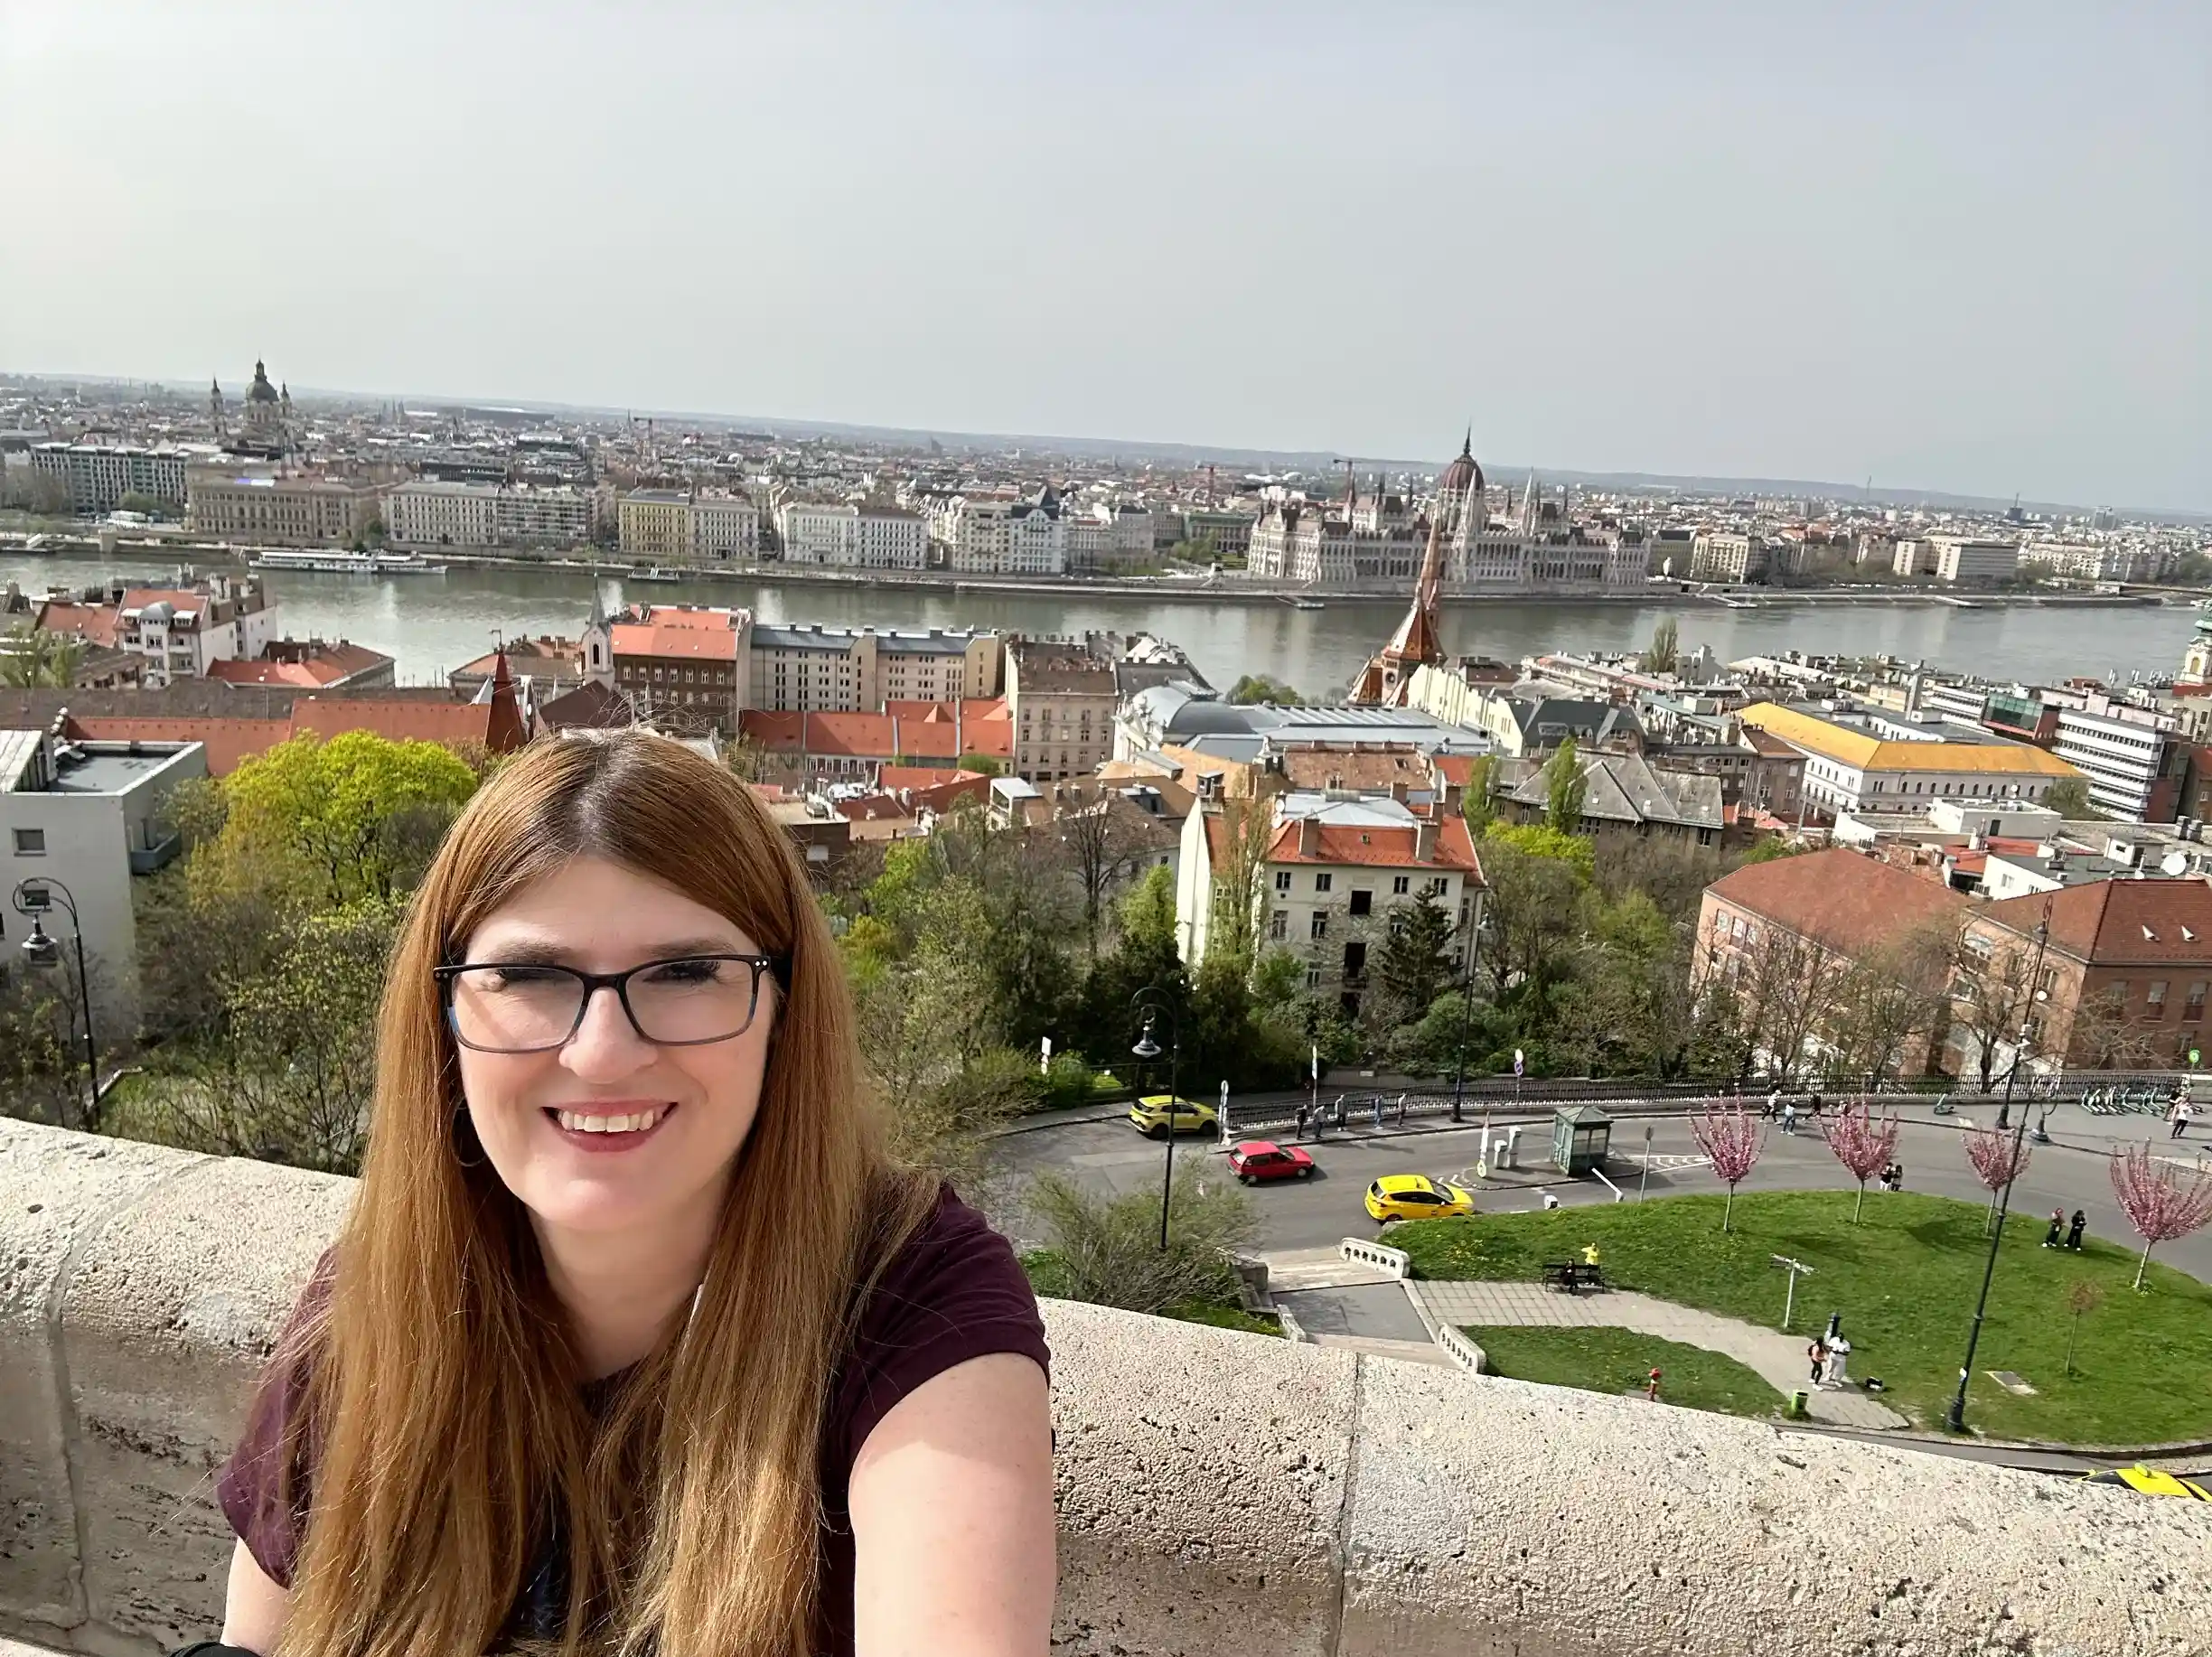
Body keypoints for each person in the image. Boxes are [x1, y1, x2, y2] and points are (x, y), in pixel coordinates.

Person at [209, 733, 1055, 1657]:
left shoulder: (913, 1307)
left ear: (783, 1007)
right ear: (443, 1015)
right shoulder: (382, 1300)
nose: (603, 1053)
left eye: (686, 972)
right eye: (530, 975)